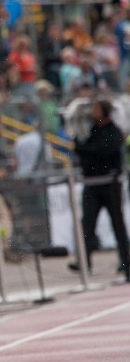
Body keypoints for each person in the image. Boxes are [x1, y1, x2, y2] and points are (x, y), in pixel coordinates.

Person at [71, 99, 130, 279]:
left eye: (96, 109)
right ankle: (84, 262)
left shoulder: (113, 132)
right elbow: (81, 149)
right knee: (87, 224)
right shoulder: (92, 130)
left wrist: (86, 150)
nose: (93, 112)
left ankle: (126, 263)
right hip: (92, 184)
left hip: (110, 185)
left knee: (117, 225)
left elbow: (101, 151)